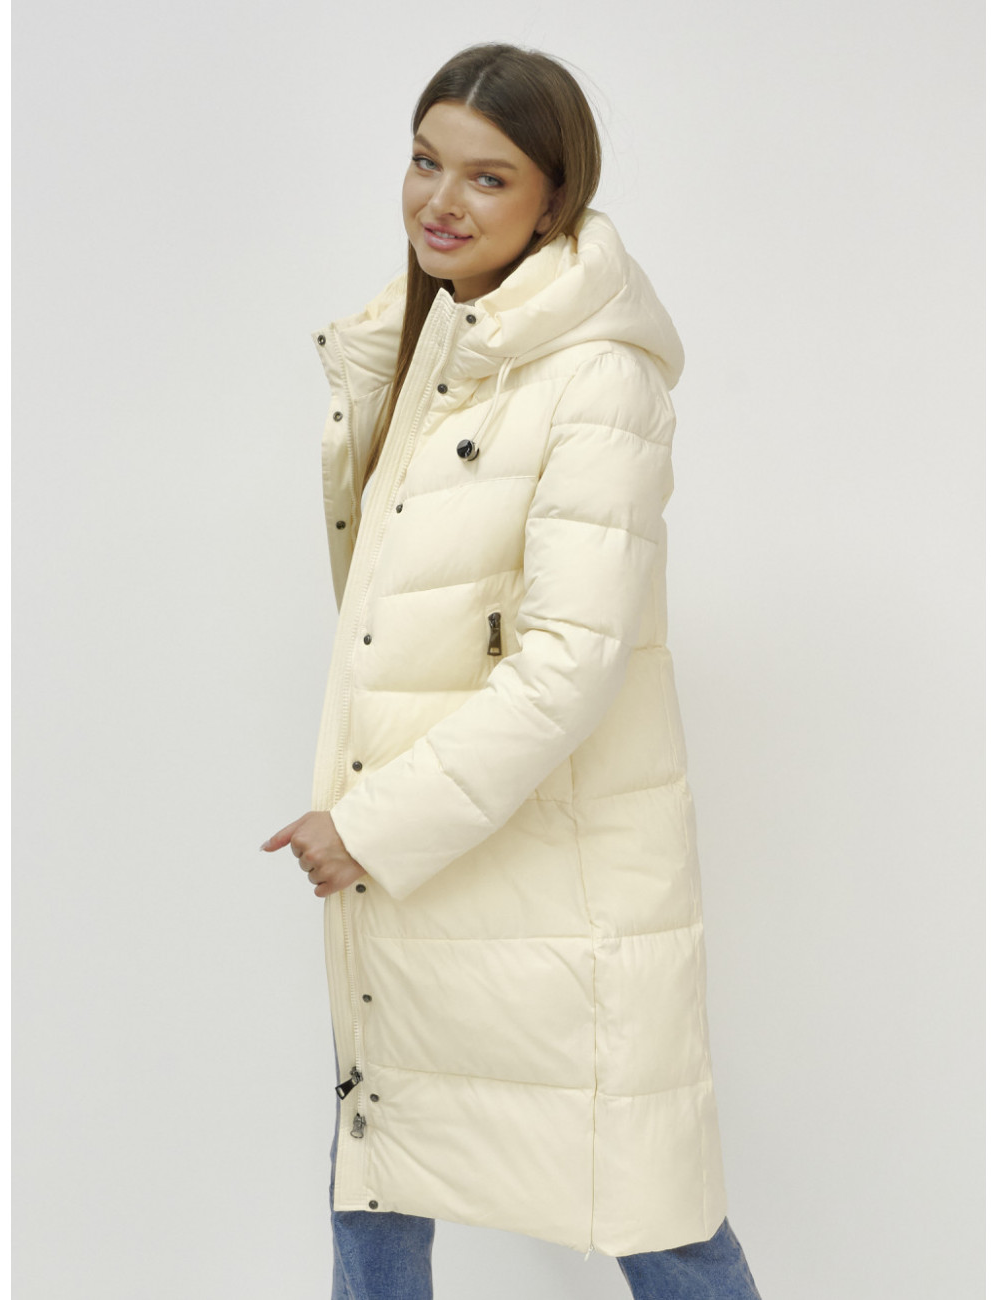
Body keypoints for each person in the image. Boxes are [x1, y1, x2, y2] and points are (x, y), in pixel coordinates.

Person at [261, 42, 763, 1300]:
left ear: (554, 200)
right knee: (373, 1171)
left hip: (548, 876)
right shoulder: (429, 348)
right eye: (425, 161)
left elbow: (570, 663)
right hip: (427, 868)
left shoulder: (597, 375)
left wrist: (370, 824)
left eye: (488, 178)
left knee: (653, 1203)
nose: (441, 200)